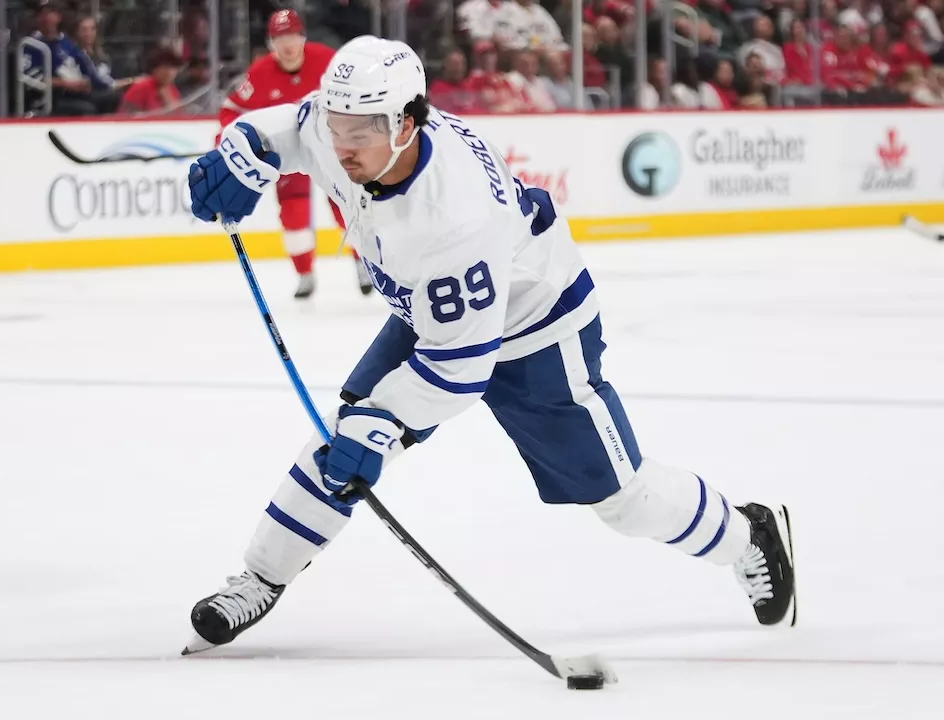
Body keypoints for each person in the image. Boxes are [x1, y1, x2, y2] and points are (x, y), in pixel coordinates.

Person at [183, 35, 798, 652]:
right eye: (339, 123)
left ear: (408, 121)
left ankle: (749, 535)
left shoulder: (455, 217)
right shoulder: (351, 121)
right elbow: (286, 128)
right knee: (339, 442)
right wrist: (243, 154)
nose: (342, 145)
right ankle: (260, 577)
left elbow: (460, 367)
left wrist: (383, 422)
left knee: (621, 499)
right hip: (437, 312)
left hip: (535, 329)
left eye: (363, 130)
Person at [217, 9, 370, 300]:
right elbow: (231, 110)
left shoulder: (328, 60)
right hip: (288, 157)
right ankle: (304, 274)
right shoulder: (259, 73)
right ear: (271, 42)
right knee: (294, 213)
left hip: (332, 150)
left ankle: (364, 263)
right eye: (279, 38)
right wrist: (229, 141)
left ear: (303, 37)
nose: (287, 44)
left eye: (292, 36)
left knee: (347, 206)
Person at [21, 0, 119, 116]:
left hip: (79, 94)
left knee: (111, 97)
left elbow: (88, 70)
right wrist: (67, 84)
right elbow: (31, 78)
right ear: (37, 18)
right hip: (53, 99)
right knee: (86, 109)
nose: (48, 17)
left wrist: (90, 82)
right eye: (43, 13)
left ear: (59, 16)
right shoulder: (31, 45)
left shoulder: (67, 43)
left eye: (51, 12)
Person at [120, 47, 182, 114]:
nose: (169, 73)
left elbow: (179, 117)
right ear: (154, 69)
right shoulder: (140, 88)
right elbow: (126, 117)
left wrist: (169, 103)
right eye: (165, 67)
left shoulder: (173, 90)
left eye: (173, 68)